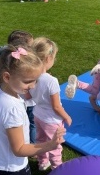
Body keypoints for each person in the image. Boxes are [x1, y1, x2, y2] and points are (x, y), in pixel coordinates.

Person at [0, 45, 66, 174]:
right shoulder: (11, 108)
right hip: (11, 167)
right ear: (7, 77)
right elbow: (19, 149)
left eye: (35, 80)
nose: (33, 86)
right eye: (28, 81)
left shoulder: (1, 88)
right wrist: (49, 145)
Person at [28, 37, 72, 171]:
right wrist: (66, 117)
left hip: (38, 115)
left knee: (41, 141)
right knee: (55, 145)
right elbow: (56, 106)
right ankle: (57, 168)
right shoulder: (51, 81)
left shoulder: (29, 75)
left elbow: (27, 95)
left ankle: (42, 163)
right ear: (48, 58)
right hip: (52, 120)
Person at [7, 30, 36, 144]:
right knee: (31, 124)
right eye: (31, 45)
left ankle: (23, 141)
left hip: (17, 99)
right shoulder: (25, 65)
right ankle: (32, 145)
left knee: (23, 123)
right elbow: (28, 90)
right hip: (27, 102)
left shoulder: (9, 60)